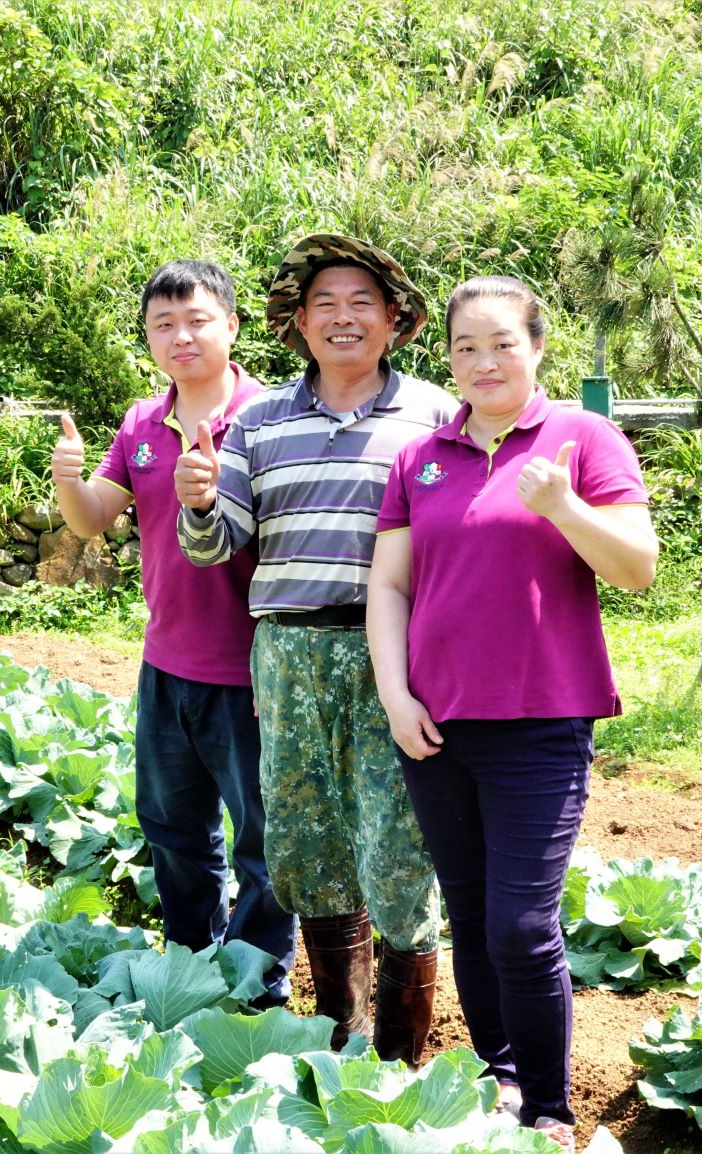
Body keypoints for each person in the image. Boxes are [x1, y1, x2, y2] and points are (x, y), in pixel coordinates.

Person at [367, 276, 657, 1149]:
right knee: (469, 908)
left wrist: (563, 507)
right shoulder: (422, 458)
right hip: (437, 728)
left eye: (502, 342)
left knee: (522, 925)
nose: (483, 361)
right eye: (464, 347)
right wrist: (394, 694)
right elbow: (388, 583)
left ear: (536, 346)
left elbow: (637, 566)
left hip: (540, 722)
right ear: (445, 358)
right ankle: (498, 1074)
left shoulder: (583, 439)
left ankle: (549, 1107)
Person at [173, 235, 456, 1065]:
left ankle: (401, 1060)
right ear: (297, 324)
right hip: (290, 656)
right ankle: (343, 1030)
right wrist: (196, 502)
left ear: (395, 322)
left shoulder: (436, 415)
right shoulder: (257, 422)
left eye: (361, 303)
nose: (343, 318)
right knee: (306, 847)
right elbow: (215, 544)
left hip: (396, 656)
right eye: (324, 305)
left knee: (398, 850)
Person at [51, 259, 296, 1001]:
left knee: (260, 836)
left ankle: (258, 978)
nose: (181, 336)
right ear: (149, 338)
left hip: (254, 670)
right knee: (171, 827)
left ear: (232, 325)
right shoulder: (140, 422)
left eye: (196, 320)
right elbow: (95, 517)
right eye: (163, 325)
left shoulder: (275, 417)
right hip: (167, 664)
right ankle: (193, 959)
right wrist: (69, 476)